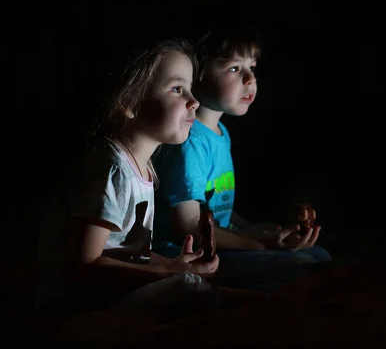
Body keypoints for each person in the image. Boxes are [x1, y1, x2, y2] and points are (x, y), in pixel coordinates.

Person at [35, 36, 220, 318]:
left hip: (108, 299)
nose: (194, 101)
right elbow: (83, 264)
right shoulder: (112, 168)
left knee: (208, 291)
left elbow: (128, 254)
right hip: (77, 309)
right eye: (177, 89)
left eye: (190, 89)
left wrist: (173, 265)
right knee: (196, 294)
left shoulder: (142, 169)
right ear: (128, 102)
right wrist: (169, 273)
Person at [153, 25, 332, 292]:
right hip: (191, 255)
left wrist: (253, 230)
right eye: (235, 69)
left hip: (223, 245)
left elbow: (214, 205)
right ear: (197, 76)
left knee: (320, 256)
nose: (250, 79)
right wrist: (258, 244)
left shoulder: (220, 133)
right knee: (305, 264)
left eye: (252, 67)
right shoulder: (189, 142)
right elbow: (189, 225)